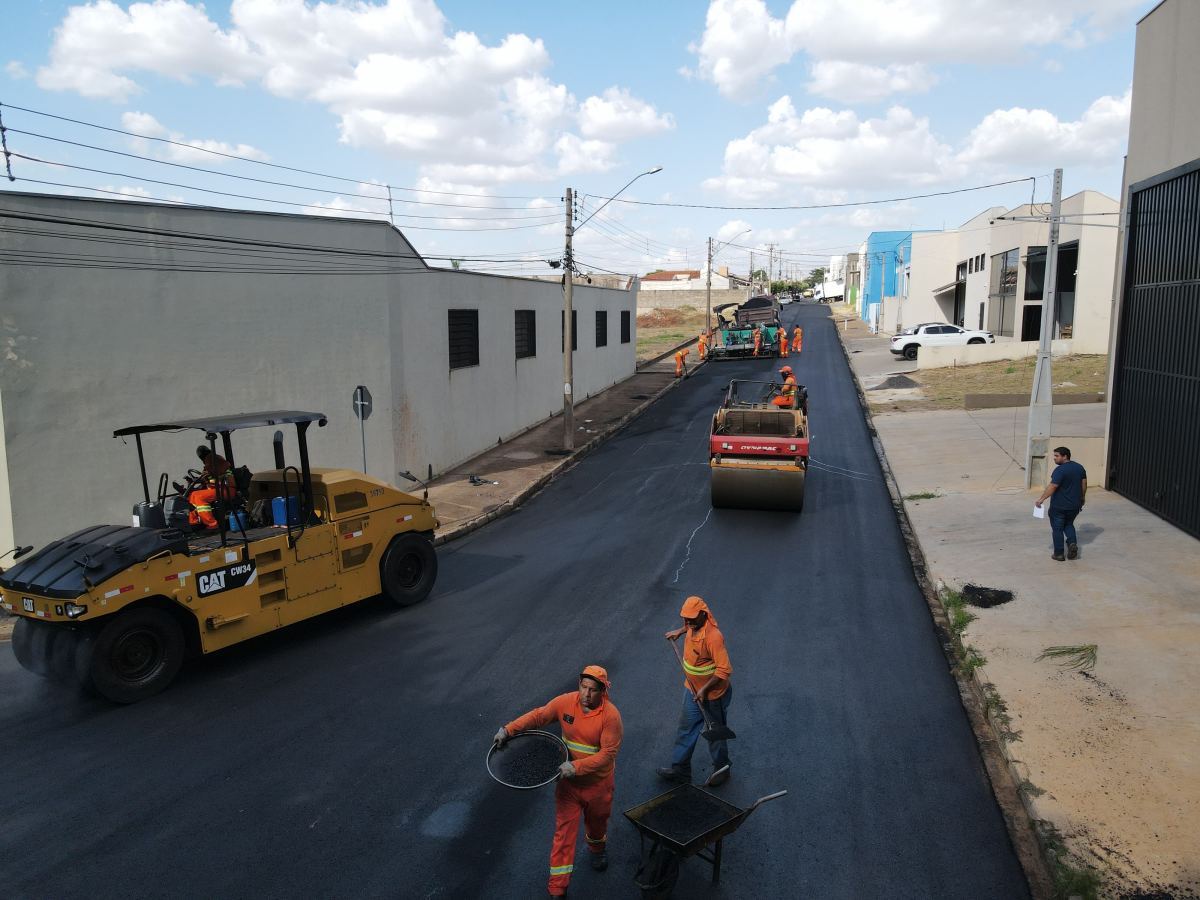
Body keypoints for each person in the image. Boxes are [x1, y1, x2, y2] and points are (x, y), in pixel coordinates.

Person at [495, 666, 623, 897]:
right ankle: (557, 888)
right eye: (583, 687)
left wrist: (576, 766)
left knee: (597, 824)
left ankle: (597, 849)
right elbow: (538, 715)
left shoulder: (611, 716)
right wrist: (508, 730)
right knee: (563, 835)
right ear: (579, 685)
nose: (586, 694)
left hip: (598, 786)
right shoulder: (566, 703)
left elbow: (607, 755)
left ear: (602, 691)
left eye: (593, 690)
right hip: (569, 787)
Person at [657, 596, 733, 786]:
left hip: (713, 696)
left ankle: (722, 769)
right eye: (685, 619)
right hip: (691, 690)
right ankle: (680, 770)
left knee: (715, 732)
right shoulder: (691, 625)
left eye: (691, 618)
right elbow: (688, 626)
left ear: (703, 615)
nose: (688, 622)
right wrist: (680, 631)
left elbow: (724, 670)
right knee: (686, 728)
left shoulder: (714, 637)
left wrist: (705, 690)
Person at [1035, 446, 1087, 561]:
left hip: (1059, 506)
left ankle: (1059, 553)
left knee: (1057, 529)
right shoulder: (1080, 468)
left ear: (1065, 456)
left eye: (1057, 456)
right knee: (1068, 524)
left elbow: (1053, 486)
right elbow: (1084, 484)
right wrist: (1082, 498)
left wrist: (1041, 499)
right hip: (1074, 506)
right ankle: (1072, 543)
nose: (1054, 458)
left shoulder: (1060, 470)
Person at [188, 446, 236, 529]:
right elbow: (209, 477)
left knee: (199, 497)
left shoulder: (216, 460)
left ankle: (212, 524)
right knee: (192, 495)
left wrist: (210, 472)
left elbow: (222, 467)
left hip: (226, 489)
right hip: (217, 489)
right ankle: (194, 522)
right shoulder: (210, 464)